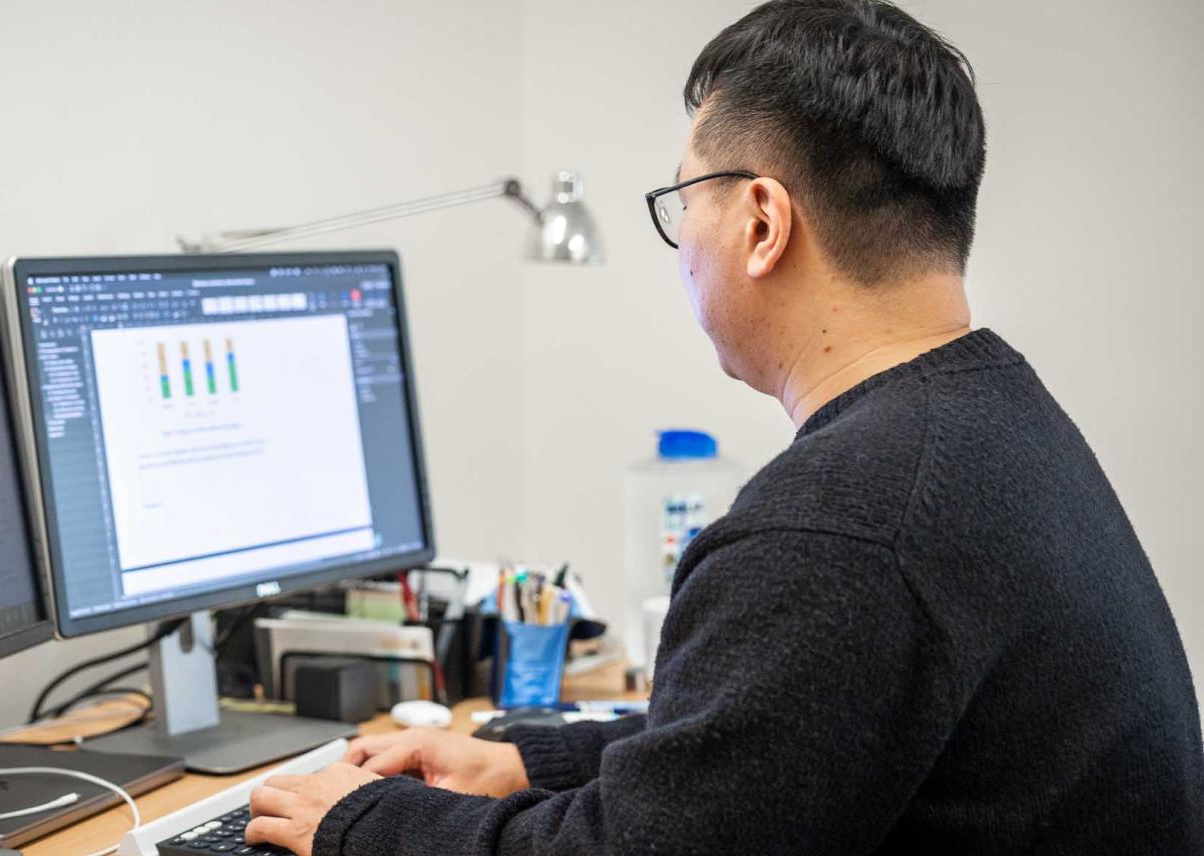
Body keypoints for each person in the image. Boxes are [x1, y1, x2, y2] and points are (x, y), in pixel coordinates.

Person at [244, 1, 1204, 853]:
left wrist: (360, 822)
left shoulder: (843, 523)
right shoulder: (989, 418)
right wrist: (527, 760)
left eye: (680, 201)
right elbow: (777, 751)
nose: (680, 251)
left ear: (761, 223)